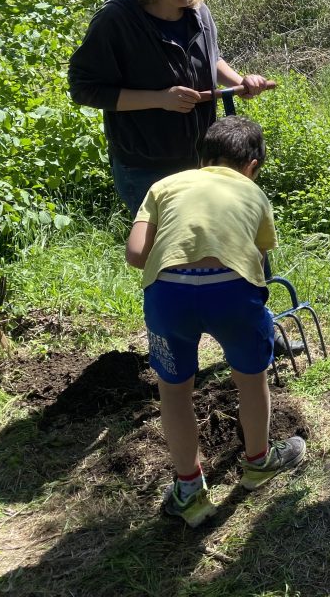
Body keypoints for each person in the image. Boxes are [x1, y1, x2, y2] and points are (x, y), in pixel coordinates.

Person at [125, 116, 305, 527]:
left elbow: (136, 254)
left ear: (201, 159)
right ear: (253, 166)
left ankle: (189, 489)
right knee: (251, 378)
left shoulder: (163, 186)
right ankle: (258, 463)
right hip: (234, 294)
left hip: (169, 295)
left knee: (173, 392)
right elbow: (260, 257)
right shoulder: (253, 191)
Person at [69, 0, 275, 217]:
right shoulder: (117, 20)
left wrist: (239, 81)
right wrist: (160, 99)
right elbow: (84, 89)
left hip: (202, 160)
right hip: (147, 168)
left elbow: (211, 57)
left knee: (203, 256)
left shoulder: (197, 11)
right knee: (168, 260)